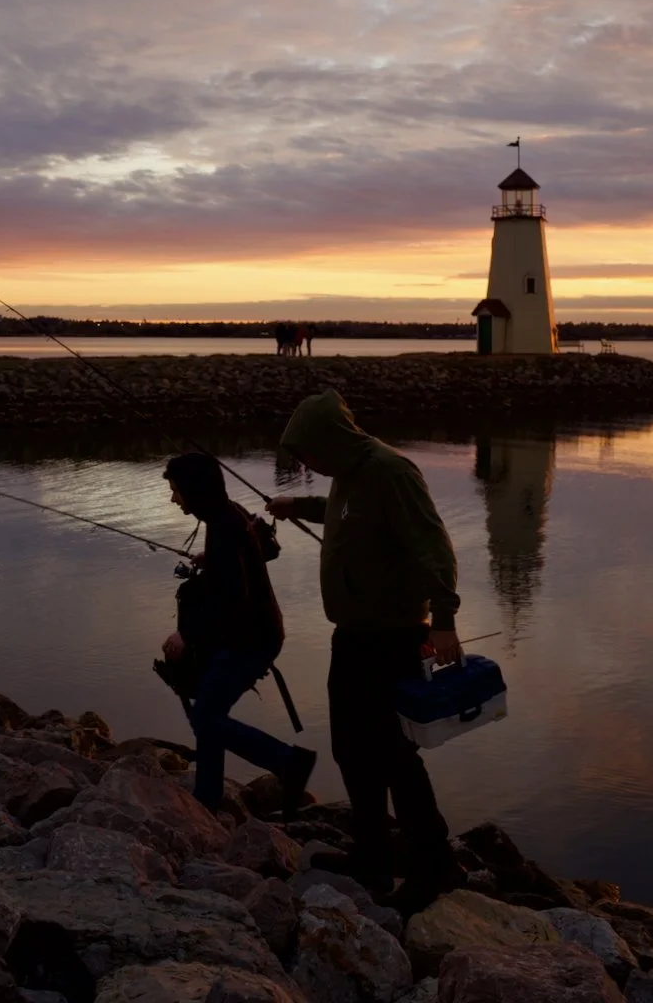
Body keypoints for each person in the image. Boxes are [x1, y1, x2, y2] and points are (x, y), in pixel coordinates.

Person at [266, 390, 465, 915]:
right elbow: (345, 511)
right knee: (353, 750)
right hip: (353, 636)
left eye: (306, 452)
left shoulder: (391, 471)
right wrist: (296, 506)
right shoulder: (349, 472)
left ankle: (434, 865)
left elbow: (433, 545)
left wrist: (443, 621)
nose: (304, 463)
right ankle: (372, 857)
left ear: (331, 439)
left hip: (394, 637)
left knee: (396, 755)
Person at [161, 452, 316, 817]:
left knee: (206, 718)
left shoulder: (225, 526)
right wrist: (211, 560)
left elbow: (233, 600)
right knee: (210, 711)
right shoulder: (226, 516)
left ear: (195, 491)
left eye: (176, 490)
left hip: (252, 640)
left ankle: (290, 762)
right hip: (249, 634)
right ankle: (208, 796)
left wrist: (187, 635)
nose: (173, 498)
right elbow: (253, 556)